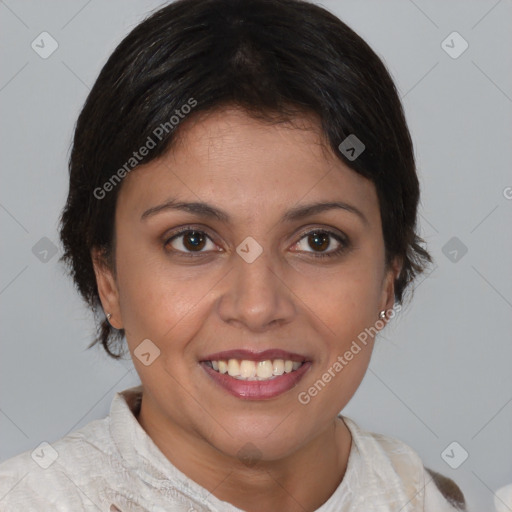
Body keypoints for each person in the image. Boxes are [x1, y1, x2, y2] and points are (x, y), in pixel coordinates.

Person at [0, 0, 467, 510]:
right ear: (108, 279)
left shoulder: (427, 497)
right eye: (192, 241)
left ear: (387, 278)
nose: (257, 306)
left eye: (317, 241)